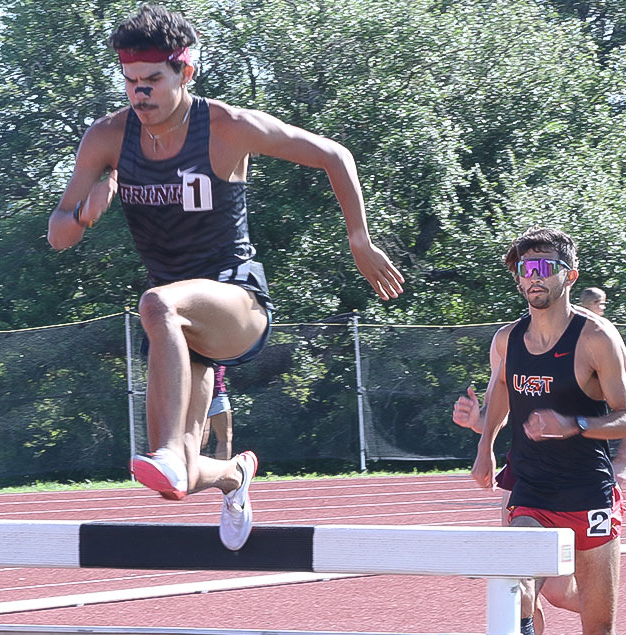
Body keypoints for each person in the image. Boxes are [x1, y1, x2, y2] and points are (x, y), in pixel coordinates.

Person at [47, 5, 404, 551]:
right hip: (182, 335)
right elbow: (57, 236)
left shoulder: (227, 127)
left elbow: (335, 154)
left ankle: (166, 447)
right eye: (130, 83)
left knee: (156, 304)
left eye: (152, 82)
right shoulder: (107, 138)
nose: (139, 94)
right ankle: (234, 475)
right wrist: (85, 215)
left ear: (185, 73)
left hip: (237, 303)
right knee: (180, 480)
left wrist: (359, 239)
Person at [467, 228, 626, 635]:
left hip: (589, 494)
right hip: (532, 492)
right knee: (518, 588)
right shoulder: (508, 339)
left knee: (598, 625)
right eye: (525, 268)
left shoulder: (595, 338)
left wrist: (574, 425)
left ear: (570, 275)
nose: (533, 276)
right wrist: (484, 448)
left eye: (545, 266)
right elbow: (501, 394)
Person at [201, 365, 232, 459]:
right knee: (200, 440)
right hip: (201, 395)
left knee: (225, 437)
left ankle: (223, 472)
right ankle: (193, 470)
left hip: (216, 394)